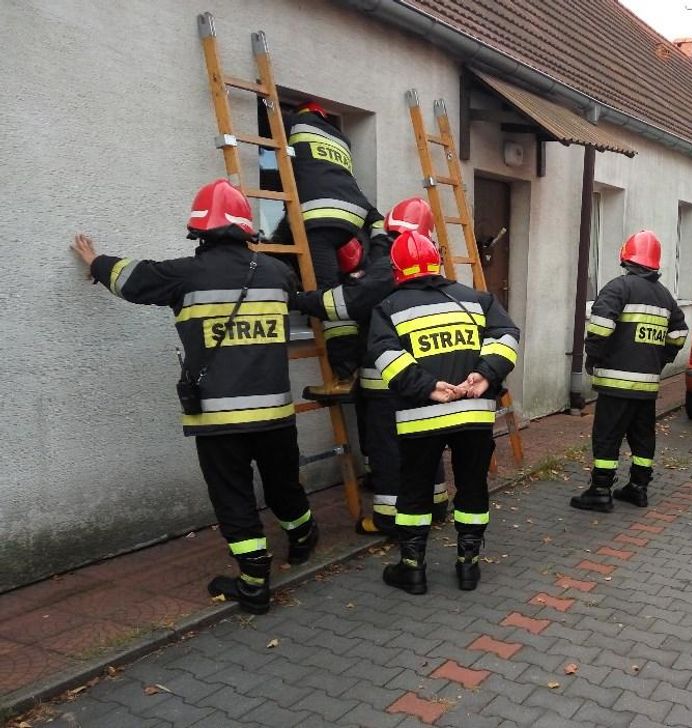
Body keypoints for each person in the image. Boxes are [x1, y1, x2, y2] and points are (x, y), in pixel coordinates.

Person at [69, 179, 317, 615]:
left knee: (233, 495)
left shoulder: (183, 274)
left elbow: (131, 277)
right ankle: (303, 536)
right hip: (276, 413)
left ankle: (254, 582)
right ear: (247, 230)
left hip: (218, 419)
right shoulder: (280, 274)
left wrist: (94, 261)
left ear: (199, 231)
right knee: (283, 482)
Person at [368, 230, 520, 594]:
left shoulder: (387, 308)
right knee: (473, 486)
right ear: (438, 258)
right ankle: (468, 566)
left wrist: (428, 387)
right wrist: (485, 375)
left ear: (397, 270)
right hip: (473, 415)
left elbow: (387, 358)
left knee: (415, 492)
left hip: (421, 417)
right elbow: (508, 336)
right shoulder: (478, 300)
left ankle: (412, 570)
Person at [291, 198, 449, 534]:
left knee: (388, 449)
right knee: (426, 441)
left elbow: (350, 301)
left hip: (389, 384)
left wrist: (301, 299)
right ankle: (436, 503)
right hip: (427, 379)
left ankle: (389, 518)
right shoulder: (432, 268)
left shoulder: (390, 261)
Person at [570, 231, 688, 512]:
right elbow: (679, 333)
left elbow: (600, 328)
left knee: (607, 436)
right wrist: (659, 360)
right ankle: (638, 487)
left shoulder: (618, 288)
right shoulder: (665, 297)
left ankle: (600, 490)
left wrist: (594, 356)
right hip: (647, 385)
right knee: (642, 436)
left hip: (615, 383)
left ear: (626, 256)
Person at [280, 100, 376, 399]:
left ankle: (344, 375)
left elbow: (270, 129)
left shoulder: (293, 124)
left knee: (328, 298)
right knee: (340, 293)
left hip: (317, 219)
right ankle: (348, 371)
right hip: (352, 220)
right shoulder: (342, 139)